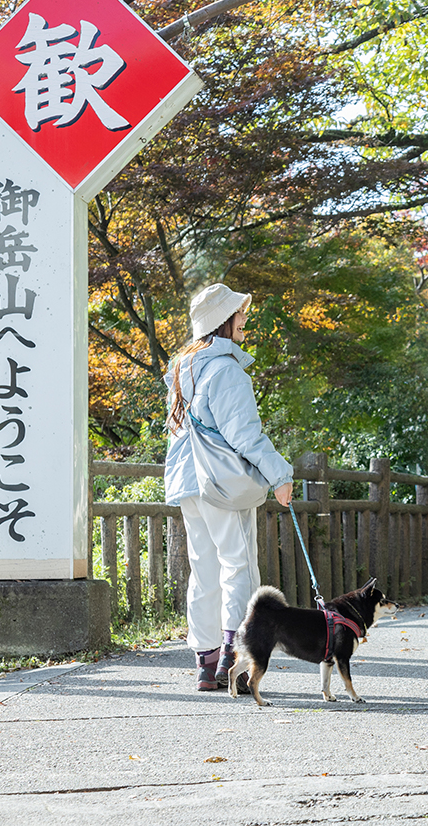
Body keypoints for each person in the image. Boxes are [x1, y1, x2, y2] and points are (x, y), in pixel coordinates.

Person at [164, 283, 294, 691]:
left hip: (187, 482)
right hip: (220, 483)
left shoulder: (184, 370)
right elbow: (246, 435)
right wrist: (280, 475)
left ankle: (205, 662)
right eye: (239, 313)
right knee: (238, 564)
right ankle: (232, 656)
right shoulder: (225, 370)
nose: (244, 319)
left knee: (203, 571)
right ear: (224, 320)